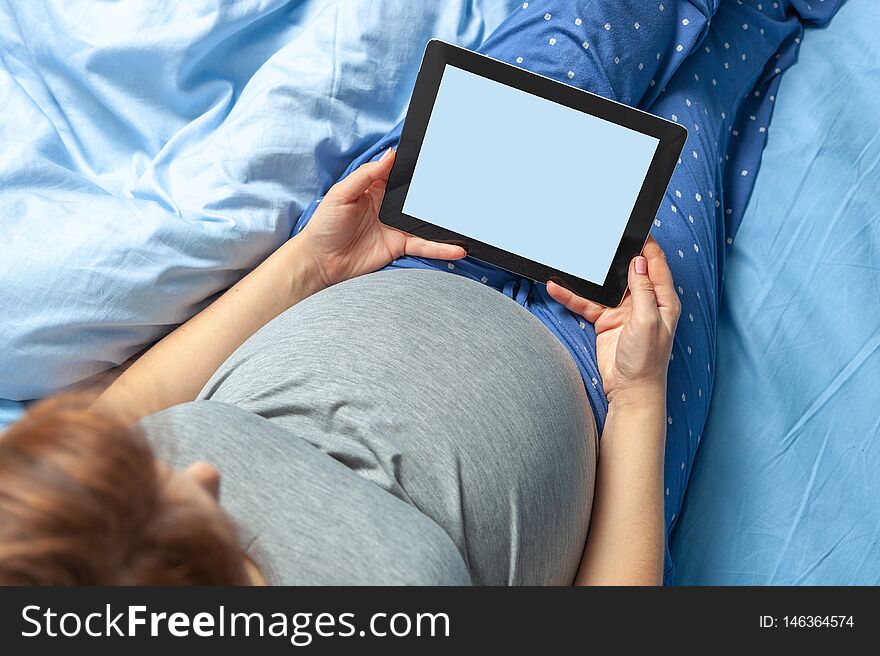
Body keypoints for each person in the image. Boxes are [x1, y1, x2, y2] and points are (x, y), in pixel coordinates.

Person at [0, 0, 840, 585]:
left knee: (587, 25)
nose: (203, 477)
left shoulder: (44, 534)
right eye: (183, 532)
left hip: (401, 253)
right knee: (707, 107)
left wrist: (315, 265)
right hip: (602, 374)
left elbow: (108, 419)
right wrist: (640, 395)